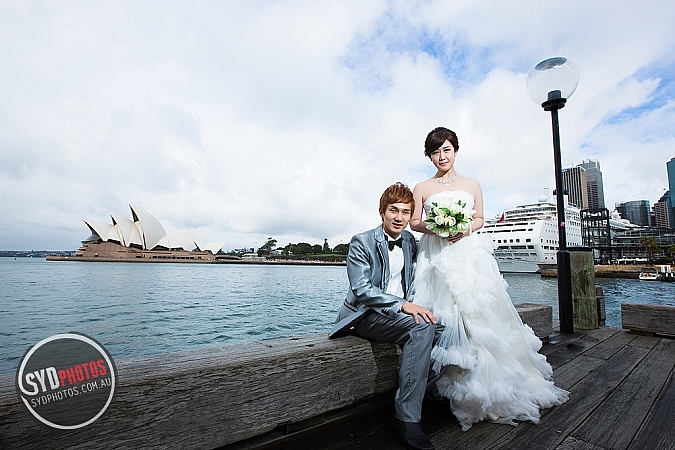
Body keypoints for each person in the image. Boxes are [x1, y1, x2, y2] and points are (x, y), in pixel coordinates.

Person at [409, 127, 569, 432]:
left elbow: (480, 218)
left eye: (446, 150)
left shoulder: (472, 184)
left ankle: (486, 389)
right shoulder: (422, 187)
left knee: (477, 318)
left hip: (467, 254)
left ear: (456, 150)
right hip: (436, 255)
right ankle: (449, 385)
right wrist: (438, 226)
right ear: (429, 156)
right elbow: (415, 222)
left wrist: (463, 228)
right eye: (435, 152)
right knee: (445, 317)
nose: (441, 157)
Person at [330, 182, 443, 450]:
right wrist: (404, 306)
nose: (399, 217)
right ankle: (406, 419)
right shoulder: (362, 241)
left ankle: (423, 390)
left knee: (446, 329)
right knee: (422, 328)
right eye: (393, 210)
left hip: (395, 316)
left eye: (405, 212)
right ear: (382, 211)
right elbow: (361, 289)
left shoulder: (409, 241)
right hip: (365, 315)